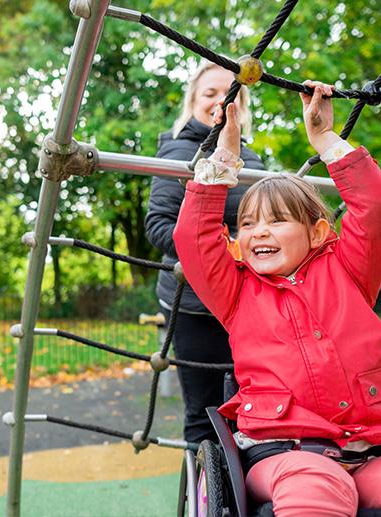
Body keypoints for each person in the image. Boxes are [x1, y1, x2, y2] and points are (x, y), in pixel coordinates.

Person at [172, 81, 381, 516]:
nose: (258, 232)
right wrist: (225, 156)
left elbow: (376, 208)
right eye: (247, 225)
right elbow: (193, 238)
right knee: (316, 487)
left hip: (378, 449)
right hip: (287, 453)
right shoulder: (237, 291)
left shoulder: (349, 270)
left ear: (318, 232)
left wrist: (325, 138)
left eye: (277, 221)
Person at [145, 62, 266, 444]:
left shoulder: (255, 161)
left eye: (230, 94)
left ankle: (242, 489)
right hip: (194, 303)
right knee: (204, 412)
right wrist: (222, 251)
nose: (220, 101)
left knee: (250, 406)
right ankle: (207, 498)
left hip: (245, 300)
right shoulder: (180, 153)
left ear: (241, 106)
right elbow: (159, 226)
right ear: (193, 101)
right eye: (209, 93)